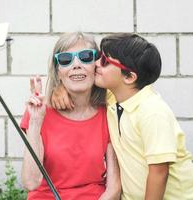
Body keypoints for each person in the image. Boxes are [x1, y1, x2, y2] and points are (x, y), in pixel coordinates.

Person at [51, 33, 193, 199]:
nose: (96, 64)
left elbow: (159, 172)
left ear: (129, 77)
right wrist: (60, 89)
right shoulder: (114, 98)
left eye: (104, 62)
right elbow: (78, 86)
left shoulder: (152, 112)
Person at [20, 32, 121, 200]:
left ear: (96, 66)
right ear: (58, 71)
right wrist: (36, 122)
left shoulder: (108, 111)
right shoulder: (40, 111)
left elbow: (113, 189)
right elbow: (31, 182)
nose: (76, 64)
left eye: (85, 56)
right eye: (66, 59)